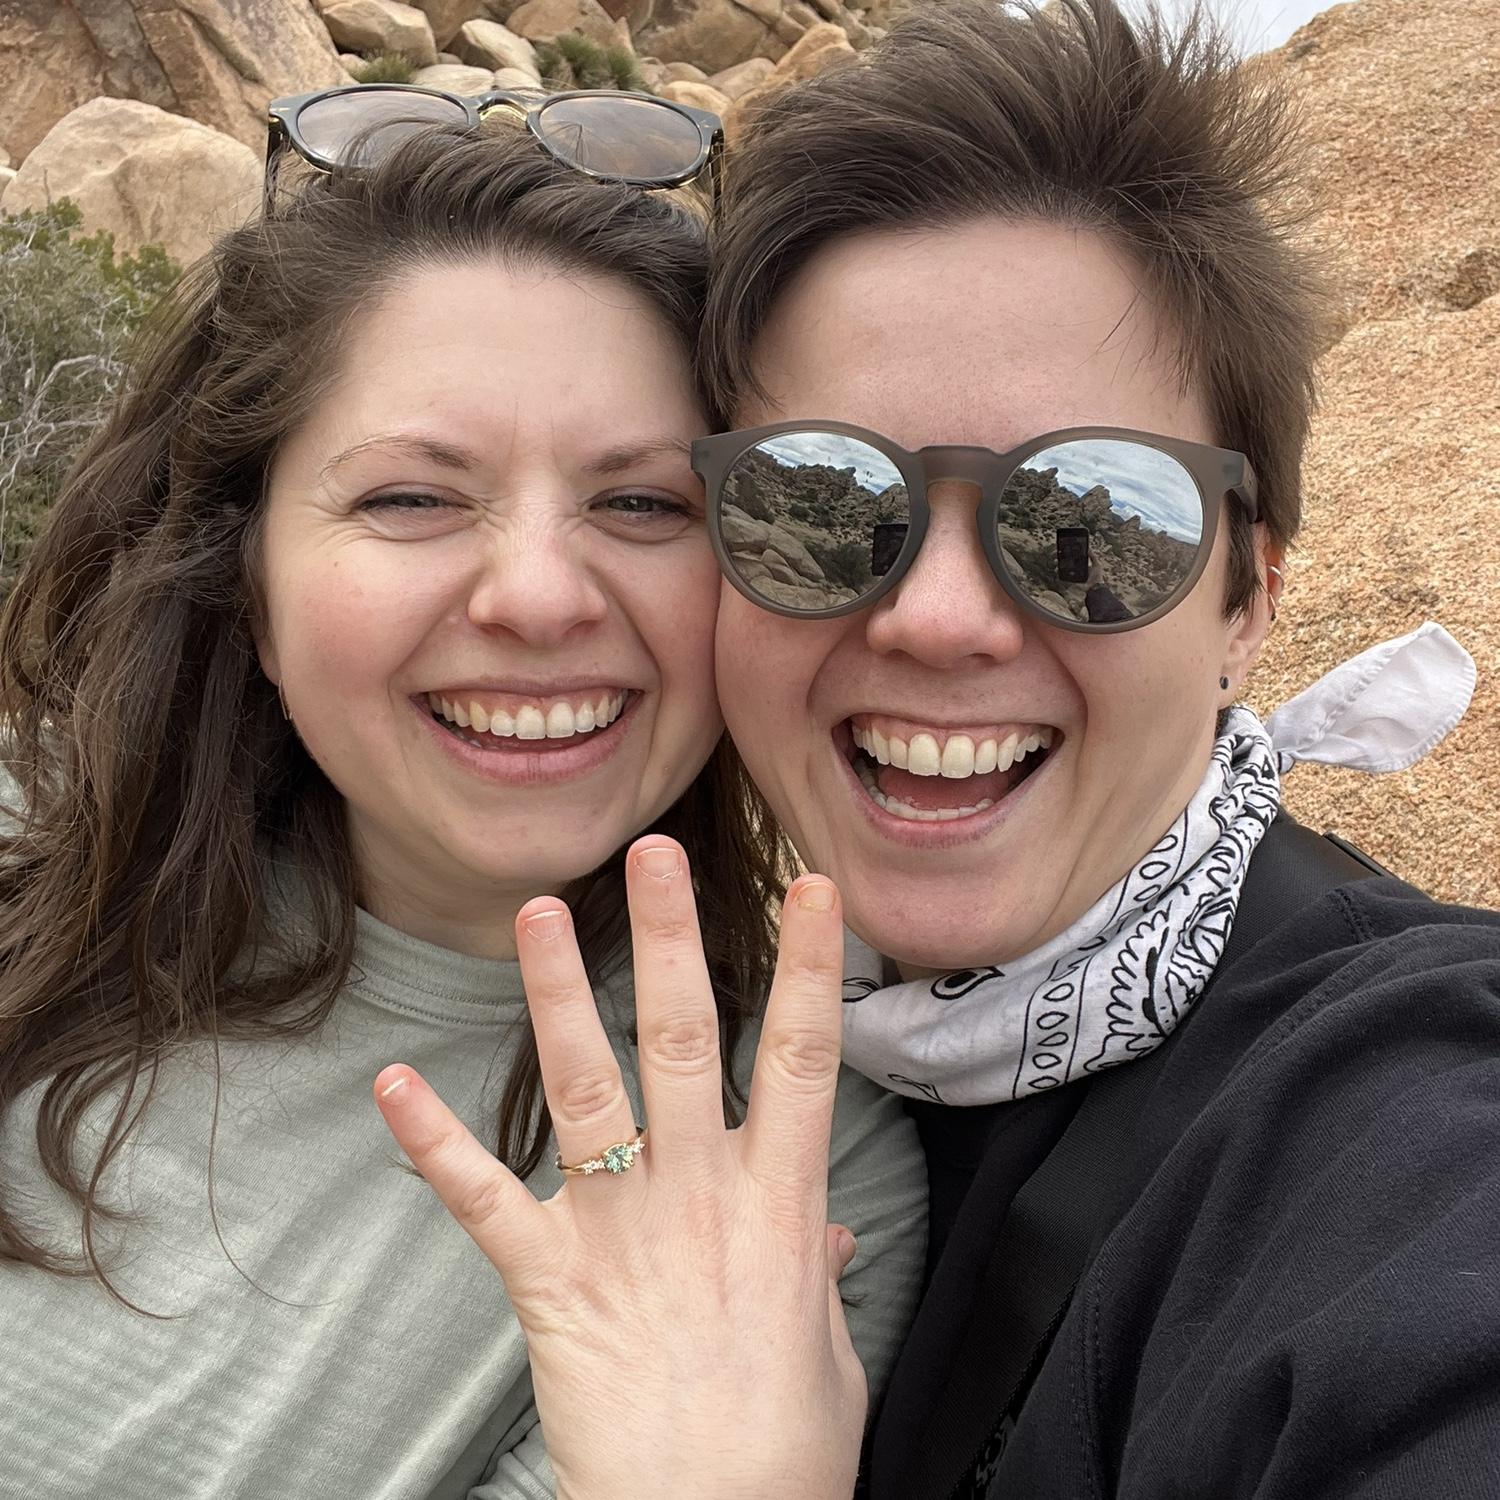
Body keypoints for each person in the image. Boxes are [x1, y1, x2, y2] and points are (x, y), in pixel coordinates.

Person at [379, 3, 1500, 1497]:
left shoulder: (1407, 1129)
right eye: (824, 504)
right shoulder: (724, 1052)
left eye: (1092, 521)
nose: (939, 619)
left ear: (1250, 599)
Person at [0, 105, 927, 1499]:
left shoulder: (783, 1165)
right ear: (245, 584)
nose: (540, 598)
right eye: (415, 501)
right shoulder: (24, 852)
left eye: (642, 507)